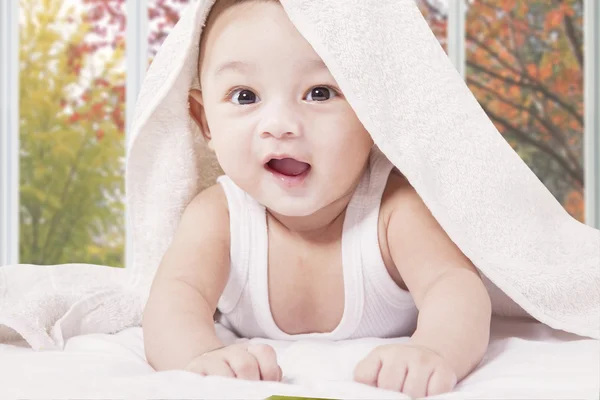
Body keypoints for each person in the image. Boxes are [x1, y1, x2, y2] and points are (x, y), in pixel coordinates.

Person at [142, 0, 492, 397]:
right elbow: (173, 299)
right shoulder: (218, 216)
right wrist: (198, 356)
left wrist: (433, 350)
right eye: (244, 96)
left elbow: (456, 287)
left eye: (320, 92)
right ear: (205, 120)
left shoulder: (394, 210)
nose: (280, 126)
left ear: (374, 111)